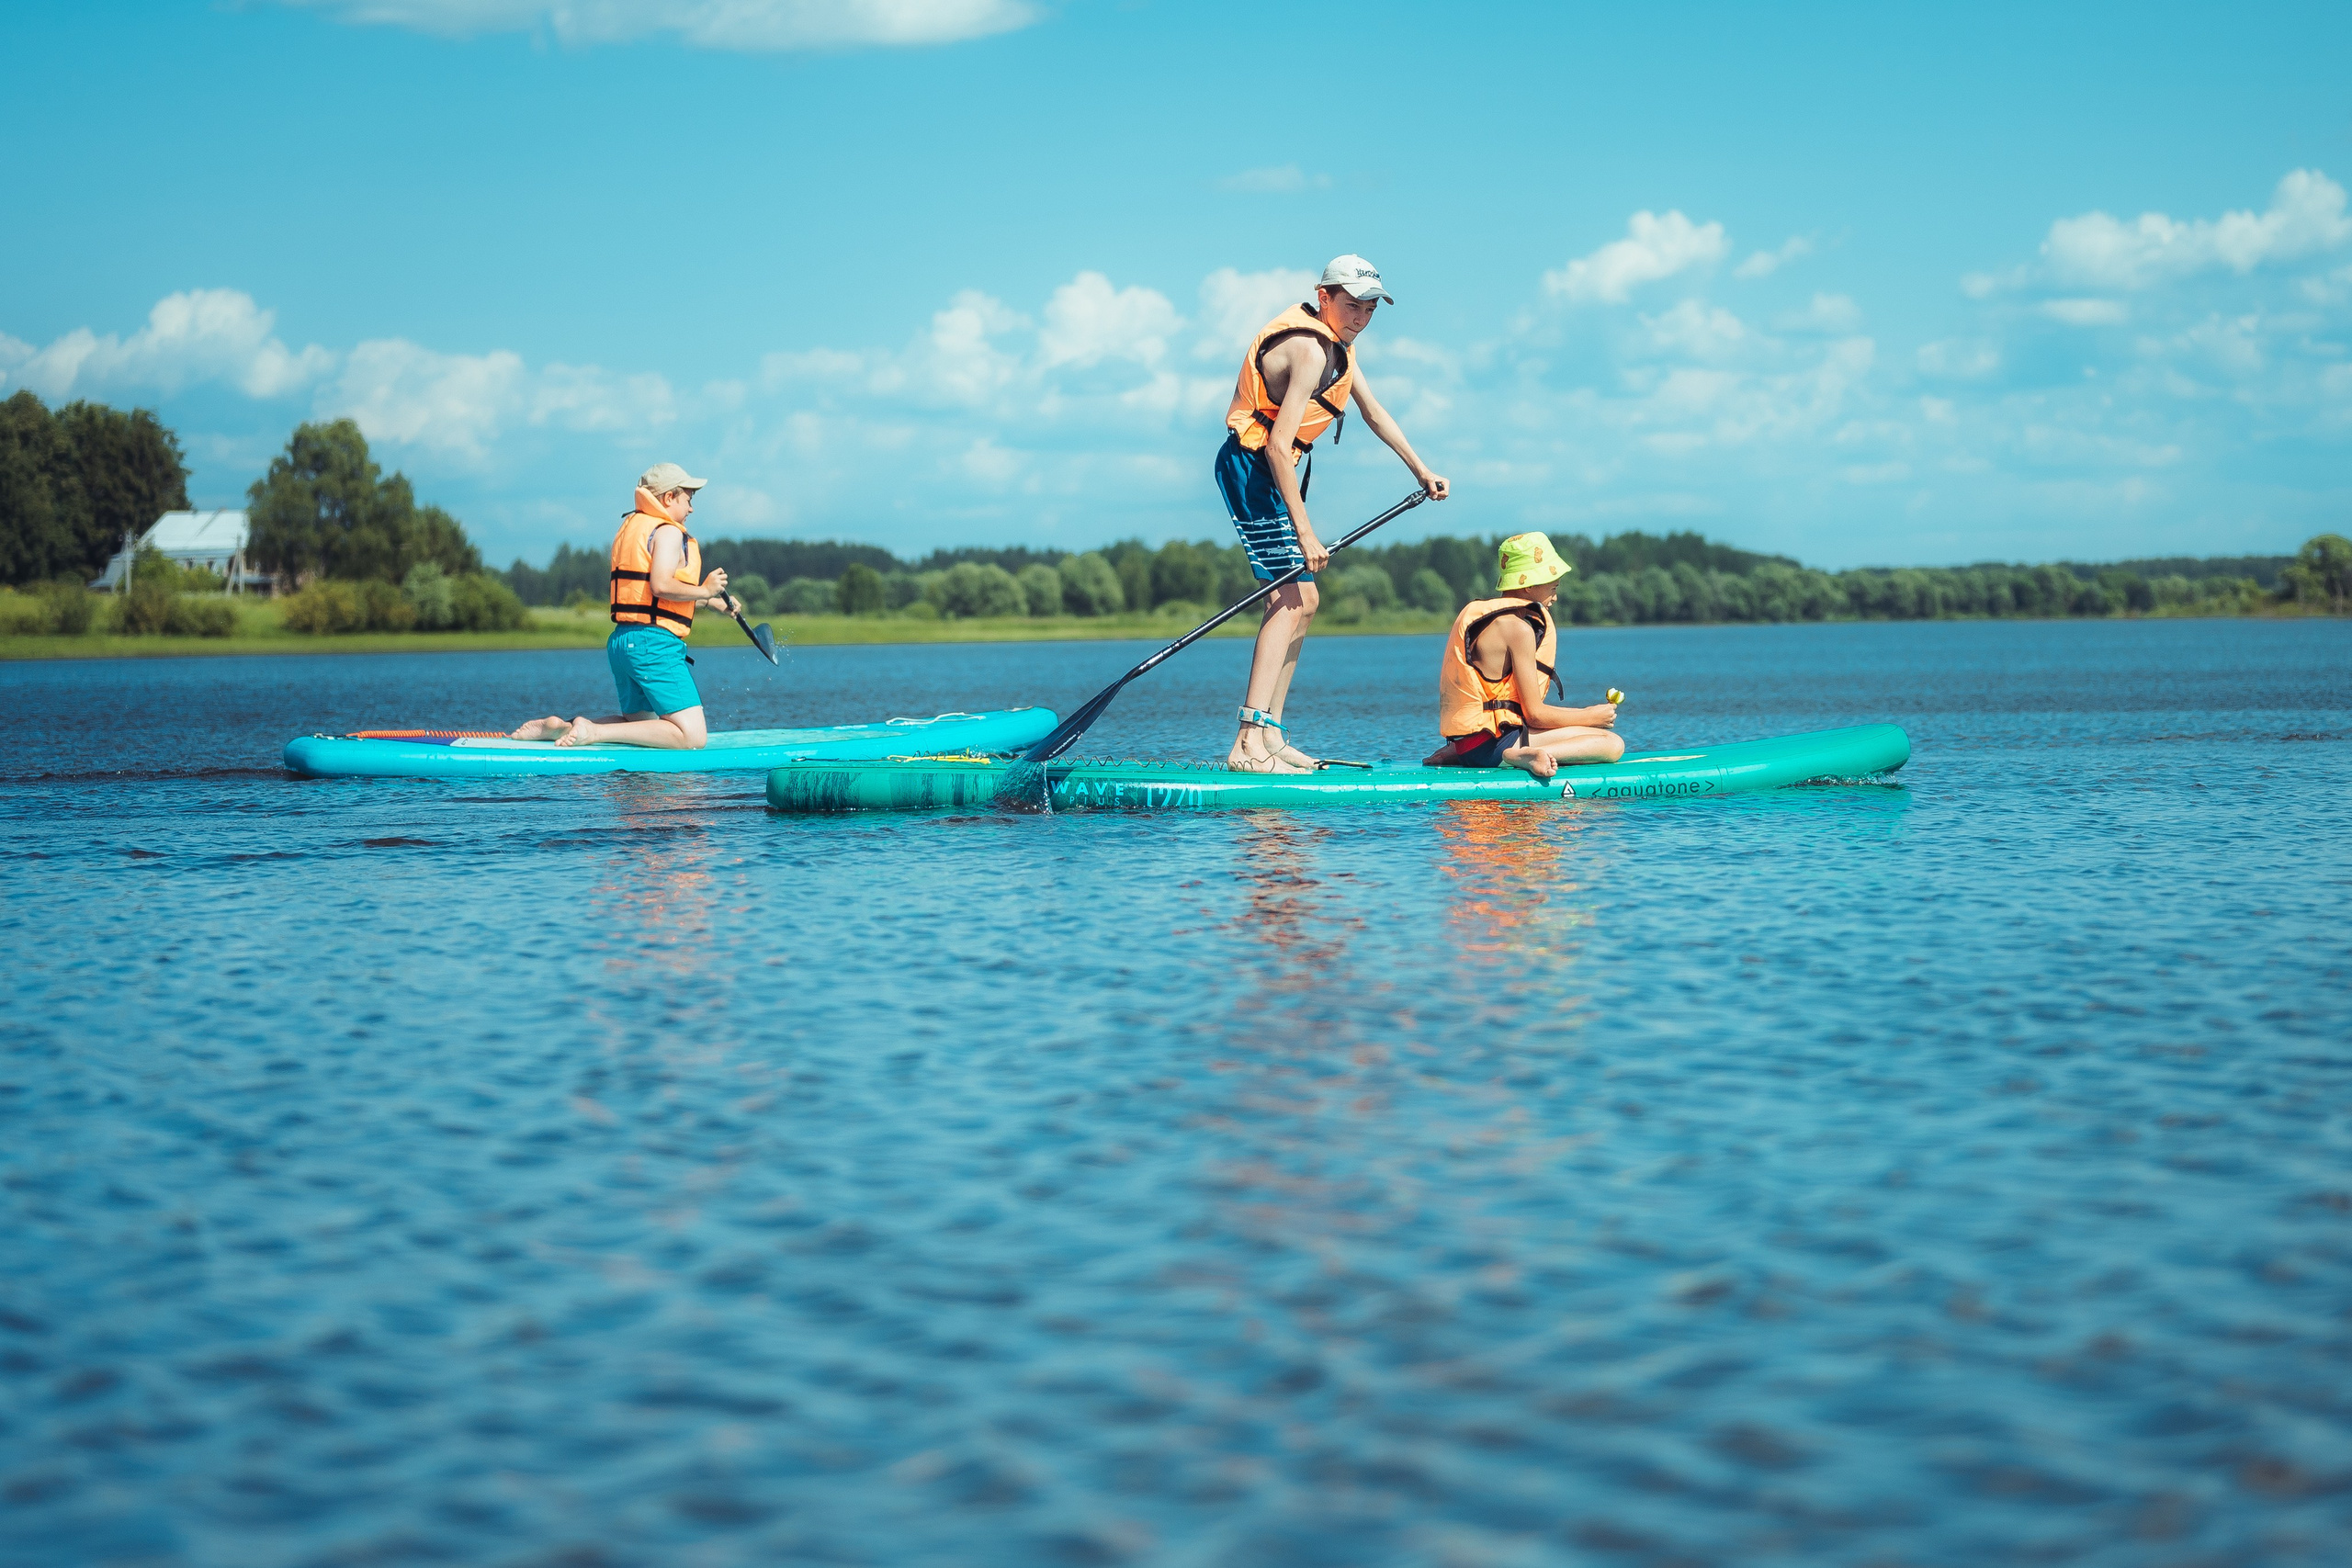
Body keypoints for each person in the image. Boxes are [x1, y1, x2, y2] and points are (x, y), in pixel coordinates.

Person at [1217, 254, 1449, 773]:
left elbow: (1373, 412)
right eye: (1352, 305)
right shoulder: (1308, 348)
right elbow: (1278, 447)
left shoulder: (1340, 349)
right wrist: (1305, 531)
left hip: (1268, 472)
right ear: (1324, 297)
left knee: (1305, 598)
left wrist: (1421, 470)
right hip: (1252, 468)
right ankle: (1247, 744)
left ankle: (1271, 736)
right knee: (1290, 596)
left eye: (1370, 307)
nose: (1362, 316)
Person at [510, 462, 735, 749]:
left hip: (623, 642)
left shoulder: (634, 527)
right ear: (668, 498)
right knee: (691, 737)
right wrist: (703, 589)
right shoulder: (668, 533)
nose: (691, 509)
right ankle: (592, 731)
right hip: (653, 645)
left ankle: (562, 728)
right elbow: (661, 585)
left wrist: (710, 600)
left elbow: (650, 596)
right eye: (688, 500)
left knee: (643, 727)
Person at [1425, 533, 1623, 781]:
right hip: (1495, 749)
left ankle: (1460, 753)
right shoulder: (1519, 629)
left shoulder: (1484, 619)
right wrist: (1591, 716)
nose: (1555, 597)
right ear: (1530, 585)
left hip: (1469, 745)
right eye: (1553, 587)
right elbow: (1534, 714)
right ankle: (1527, 755)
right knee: (1612, 744)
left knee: (1587, 734)